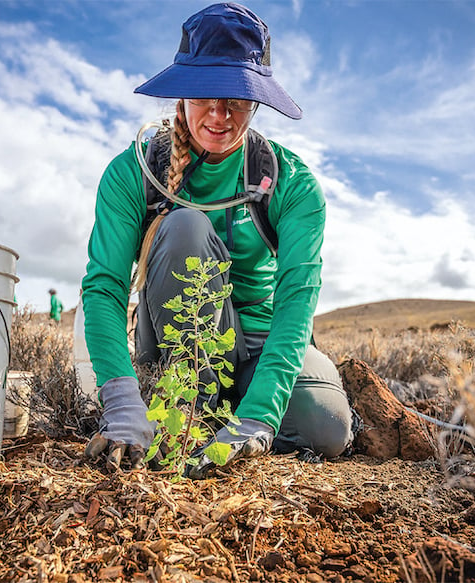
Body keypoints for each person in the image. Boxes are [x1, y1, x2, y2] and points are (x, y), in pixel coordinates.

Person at [81, 2, 353, 478]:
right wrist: (121, 401)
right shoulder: (132, 173)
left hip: (260, 341)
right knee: (185, 226)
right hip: (173, 343)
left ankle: (234, 415)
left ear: (258, 99)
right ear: (181, 90)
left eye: (238, 95)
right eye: (205, 90)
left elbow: (295, 303)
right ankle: (190, 410)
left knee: (327, 427)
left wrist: (260, 417)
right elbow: (103, 288)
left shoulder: (293, 183)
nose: (220, 113)